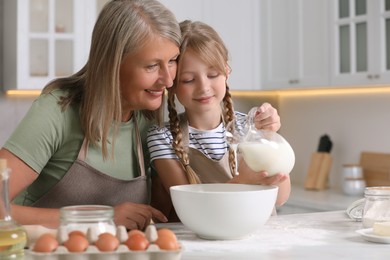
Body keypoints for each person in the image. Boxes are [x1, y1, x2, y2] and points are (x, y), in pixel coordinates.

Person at [0, 0, 181, 230]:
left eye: (172, 60)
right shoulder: (58, 110)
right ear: (112, 63)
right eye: (151, 66)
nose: (168, 79)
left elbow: (162, 212)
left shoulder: (148, 119)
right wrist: (100, 219)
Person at [147, 20, 291, 221]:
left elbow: (281, 197)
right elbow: (192, 206)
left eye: (213, 74)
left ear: (226, 71)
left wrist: (270, 137)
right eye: (188, 80)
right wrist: (244, 182)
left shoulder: (248, 127)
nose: (203, 87)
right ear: (172, 84)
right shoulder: (162, 137)